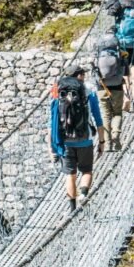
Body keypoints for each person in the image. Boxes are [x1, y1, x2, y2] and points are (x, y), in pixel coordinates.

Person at [49, 67, 104, 209]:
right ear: (79, 75)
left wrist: (52, 148)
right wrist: (102, 141)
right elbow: (97, 117)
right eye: (83, 74)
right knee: (86, 171)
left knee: (70, 175)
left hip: (65, 140)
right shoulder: (88, 89)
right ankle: (84, 194)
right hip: (85, 139)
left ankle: (72, 208)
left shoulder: (57, 90)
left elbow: (53, 120)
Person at [92, 33, 127, 151]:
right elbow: (125, 70)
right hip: (117, 86)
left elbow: (93, 71)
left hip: (102, 87)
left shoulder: (97, 53)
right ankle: (116, 136)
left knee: (106, 115)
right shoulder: (120, 52)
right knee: (117, 113)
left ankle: (107, 144)